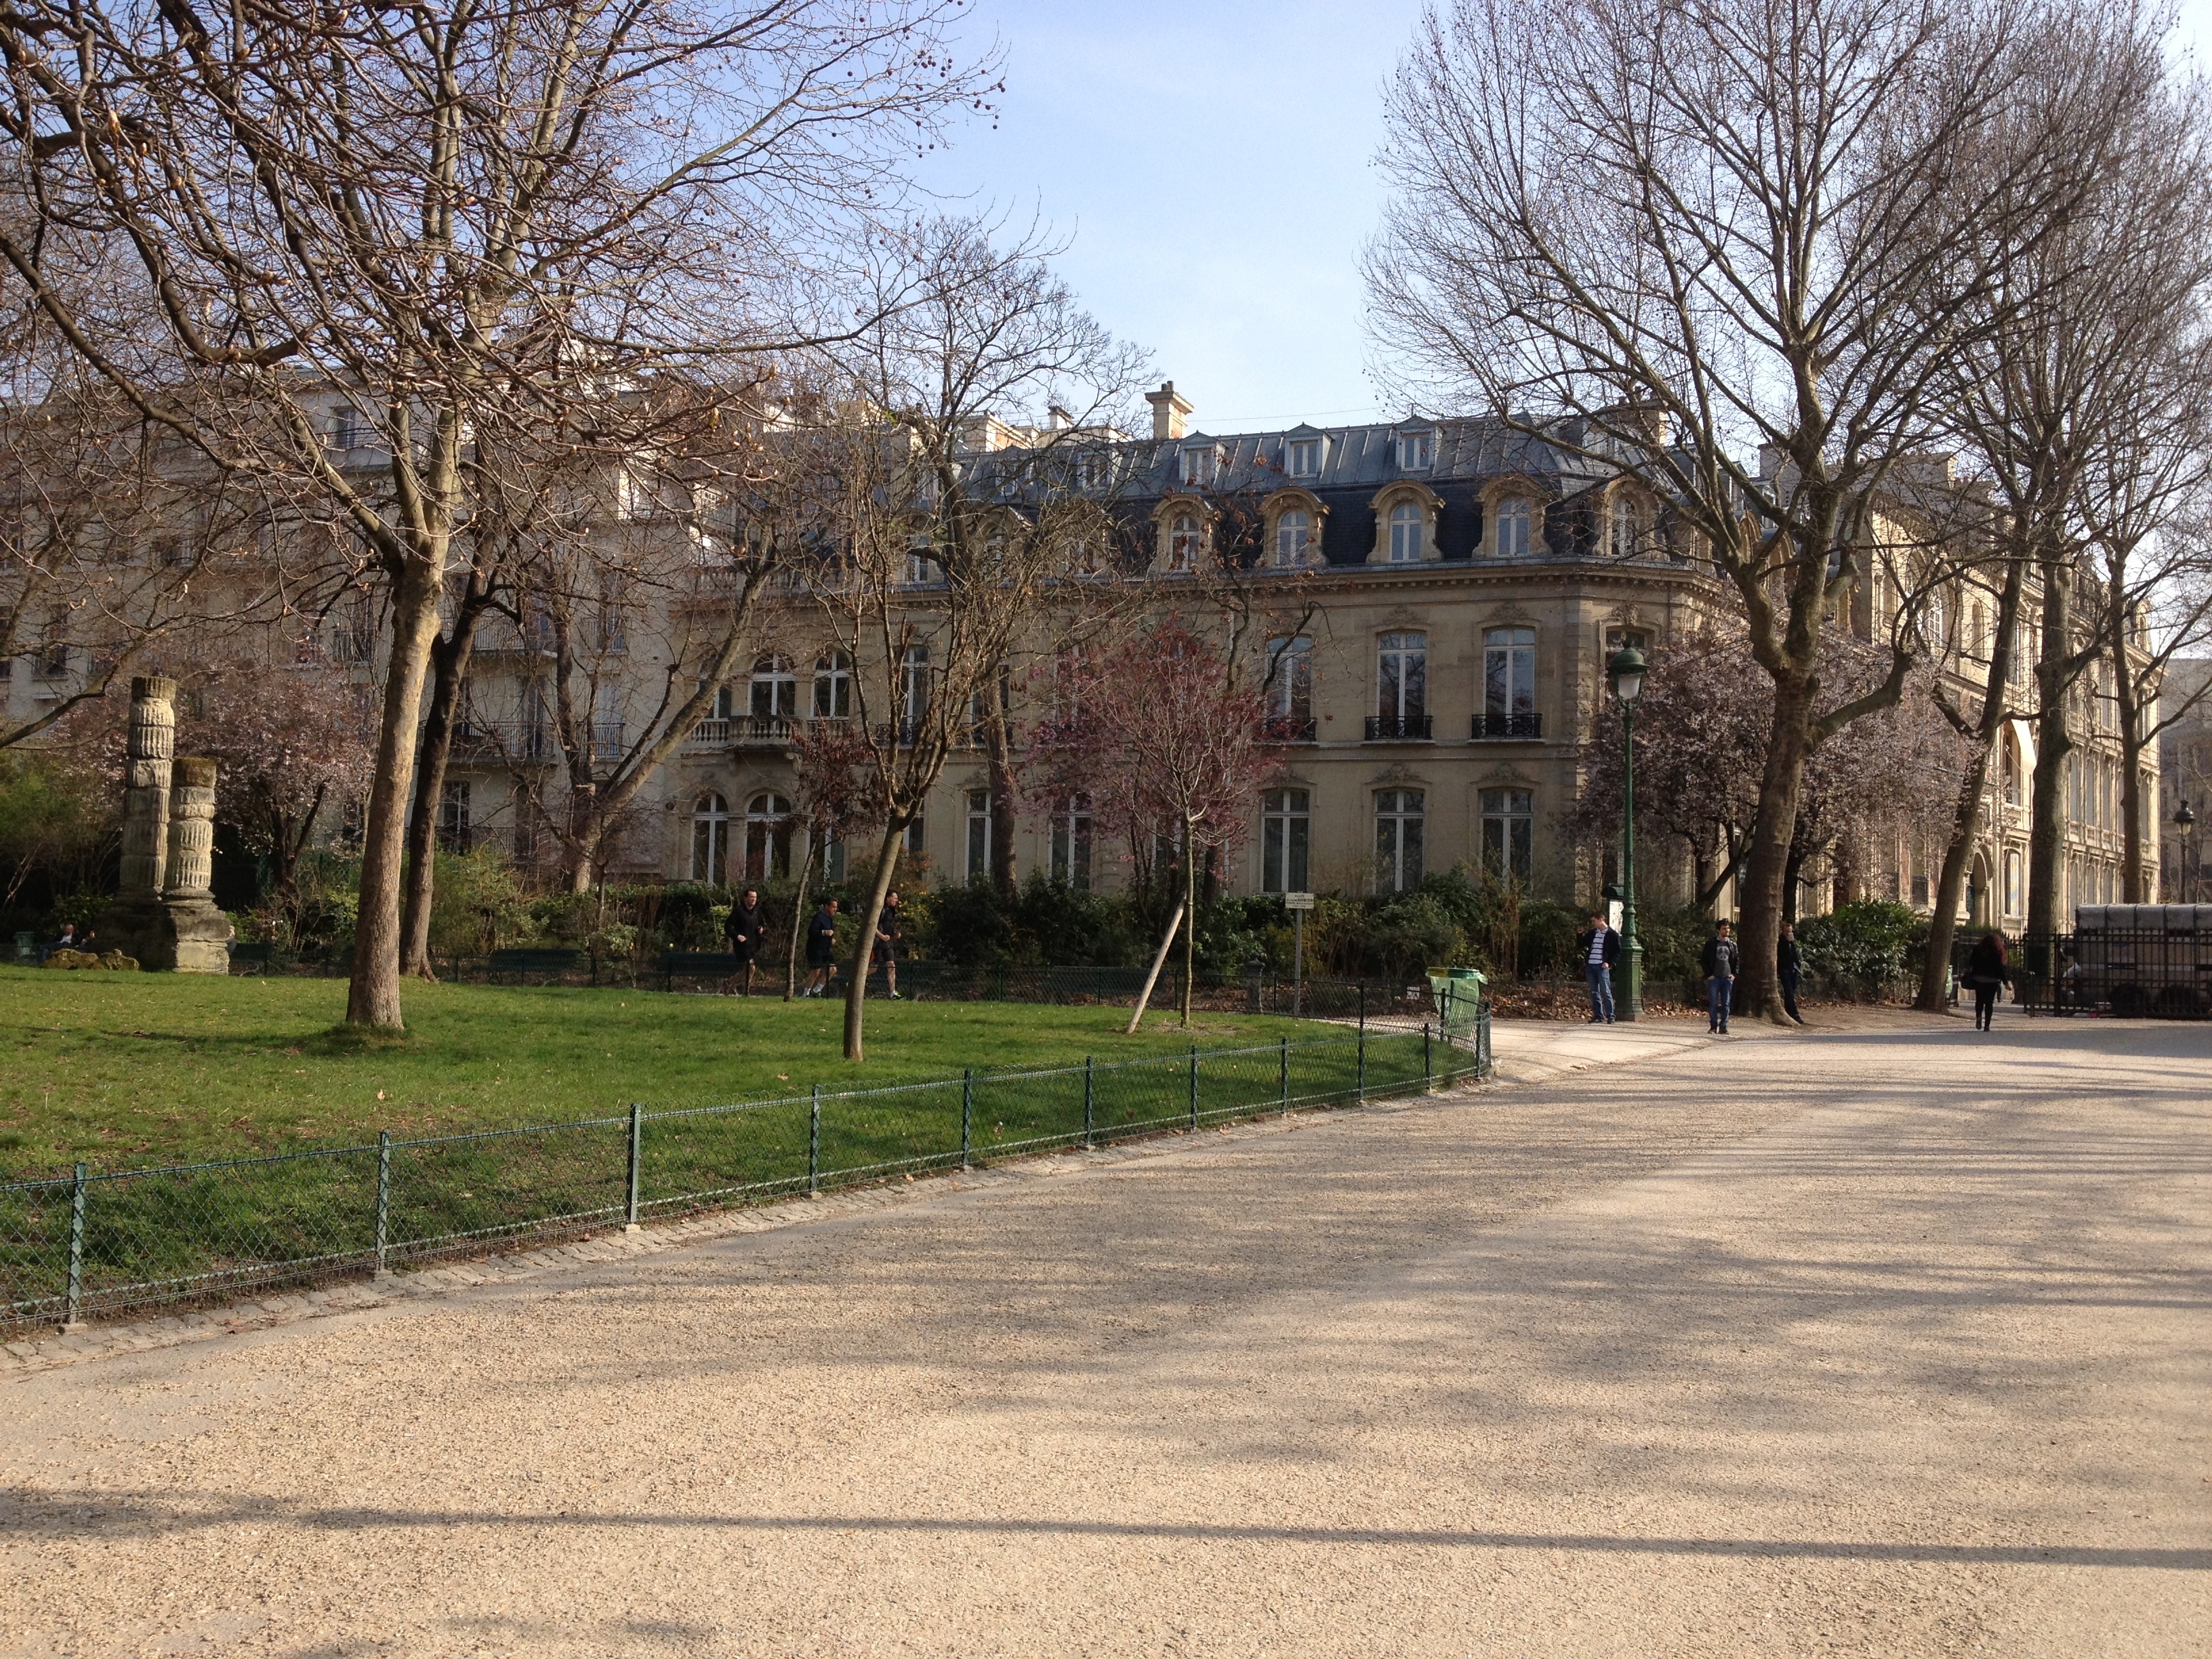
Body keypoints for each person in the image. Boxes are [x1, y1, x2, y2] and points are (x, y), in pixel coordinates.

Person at [1574, 909, 1620, 1023]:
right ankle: (1598, 1015)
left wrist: (1609, 963)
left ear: (1601, 920)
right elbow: (1581, 944)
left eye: (1594, 921)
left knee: (1606, 991)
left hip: (1602, 966)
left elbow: (1617, 952)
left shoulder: (1612, 935)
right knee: (1594, 991)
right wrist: (1579, 935)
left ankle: (1611, 1015)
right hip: (1591, 965)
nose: (1593, 923)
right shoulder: (1592, 933)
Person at [1702, 920, 1740, 1035]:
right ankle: (1713, 1026)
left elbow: (1737, 960)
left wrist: (1734, 974)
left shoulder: (1733, 944)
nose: (1727, 930)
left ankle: (1724, 1026)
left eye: (1728, 928)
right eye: (1724, 928)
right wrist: (1709, 974)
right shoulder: (1712, 944)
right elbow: (1704, 959)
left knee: (1726, 1003)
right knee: (1713, 1003)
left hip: (1727, 978)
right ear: (1719, 930)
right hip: (1715, 978)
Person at [1965, 932, 2009, 1031]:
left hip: (1978, 978)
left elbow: (1971, 963)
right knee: (1989, 1003)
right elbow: (2000, 968)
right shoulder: (1997, 951)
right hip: (1992, 980)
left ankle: (1979, 1016)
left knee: (1979, 1000)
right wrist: (2005, 982)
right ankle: (1987, 1025)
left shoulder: (1977, 949)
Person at [724, 888, 764, 994]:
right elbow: (728, 926)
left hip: (753, 944)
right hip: (742, 944)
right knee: (751, 967)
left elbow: (761, 923)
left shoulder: (757, 911)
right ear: (745, 898)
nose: (753, 899)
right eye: (751, 897)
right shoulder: (739, 911)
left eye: (755, 897)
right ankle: (746, 991)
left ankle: (729, 982)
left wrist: (761, 928)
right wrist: (737, 936)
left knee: (750, 969)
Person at [801, 897, 840, 998]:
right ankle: (805, 994)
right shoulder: (819, 917)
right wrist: (824, 932)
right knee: (816, 971)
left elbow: (831, 933)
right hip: (815, 948)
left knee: (833, 970)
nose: (835, 909)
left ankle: (817, 990)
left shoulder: (831, 920)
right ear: (826, 906)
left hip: (826, 949)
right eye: (833, 907)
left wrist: (831, 939)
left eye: (836, 907)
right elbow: (812, 931)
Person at [870, 890, 903, 1000]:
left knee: (891, 966)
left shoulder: (893, 911)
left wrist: (895, 933)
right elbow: (872, 926)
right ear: (888, 898)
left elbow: (890, 926)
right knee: (874, 968)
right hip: (878, 943)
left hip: (888, 944)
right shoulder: (881, 910)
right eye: (895, 898)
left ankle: (893, 992)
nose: (897, 901)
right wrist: (882, 936)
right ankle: (854, 981)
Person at [1778, 922, 1804, 1025]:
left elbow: (1794, 955)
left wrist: (1798, 965)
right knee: (1788, 992)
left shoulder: (1791, 943)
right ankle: (1795, 1013)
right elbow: (1781, 955)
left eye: (1790, 931)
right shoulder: (1781, 942)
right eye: (1787, 931)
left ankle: (1790, 1011)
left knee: (1791, 993)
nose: (1789, 933)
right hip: (1785, 970)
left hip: (1793, 969)